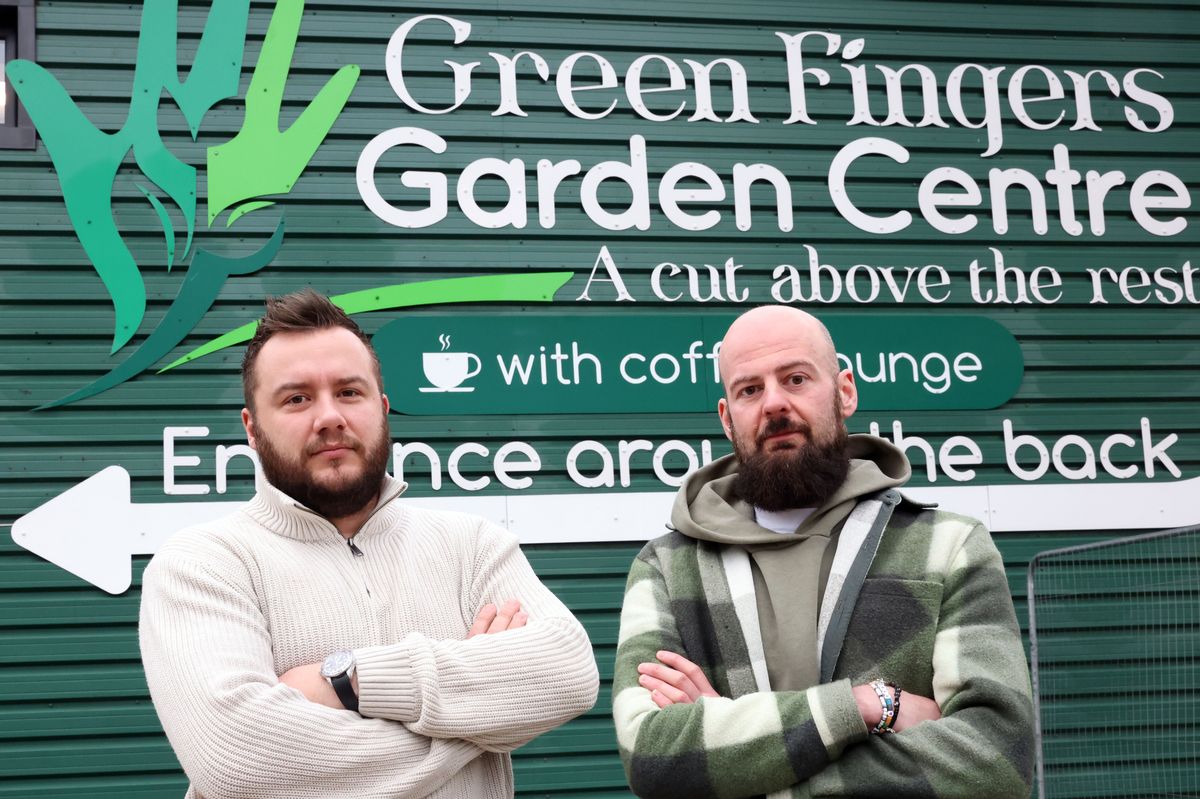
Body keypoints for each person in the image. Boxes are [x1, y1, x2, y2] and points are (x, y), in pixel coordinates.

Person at [139, 289, 598, 799]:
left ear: (382, 409)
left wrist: (348, 681)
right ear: (251, 427)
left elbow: (567, 672)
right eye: (297, 399)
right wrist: (475, 724)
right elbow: (237, 758)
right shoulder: (205, 563)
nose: (329, 416)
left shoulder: (472, 547)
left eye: (349, 393)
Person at [611, 305, 1035, 798]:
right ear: (728, 418)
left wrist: (738, 759)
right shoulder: (667, 568)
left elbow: (996, 758)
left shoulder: (948, 547)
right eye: (750, 389)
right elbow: (652, 756)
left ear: (845, 392)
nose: (773, 403)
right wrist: (868, 705)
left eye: (795, 379)